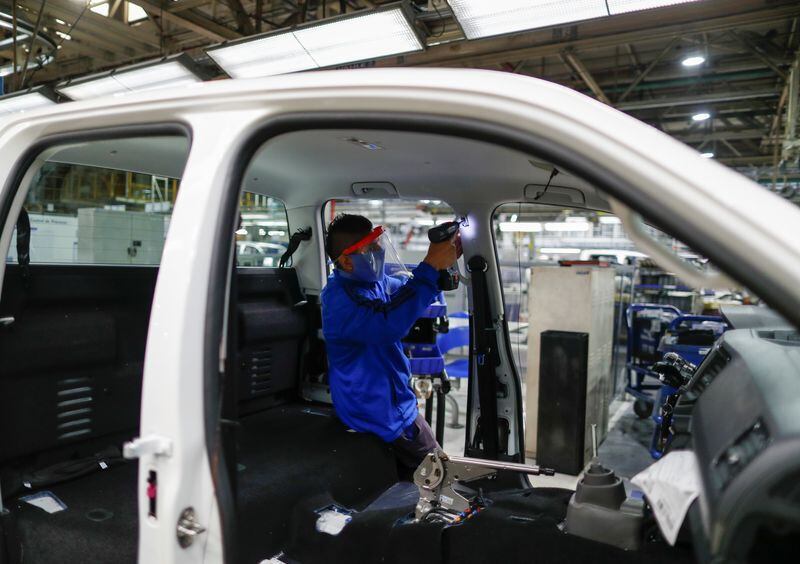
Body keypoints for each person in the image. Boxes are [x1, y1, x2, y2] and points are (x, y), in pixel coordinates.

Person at [321, 214, 459, 469]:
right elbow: (387, 323)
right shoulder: (339, 299)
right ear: (346, 263)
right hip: (377, 415)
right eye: (369, 247)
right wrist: (430, 267)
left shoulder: (375, 282)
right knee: (442, 478)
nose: (378, 250)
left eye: (377, 243)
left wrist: (439, 268)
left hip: (393, 407)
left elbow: (407, 290)